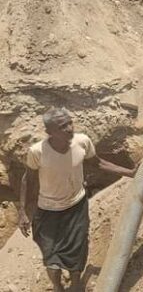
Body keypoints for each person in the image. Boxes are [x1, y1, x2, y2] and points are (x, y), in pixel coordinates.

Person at [18, 108, 136, 292]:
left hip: (76, 206)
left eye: (69, 123)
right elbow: (29, 180)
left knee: (78, 249)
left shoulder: (82, 142)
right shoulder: (37, 152)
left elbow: (98, 163)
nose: (69, 128)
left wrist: (130, 172)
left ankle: (76, 285)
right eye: (62, 126)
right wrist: (23, 212)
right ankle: (58, 287)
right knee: (52, 258)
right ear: (50, 132)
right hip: (48, 211)